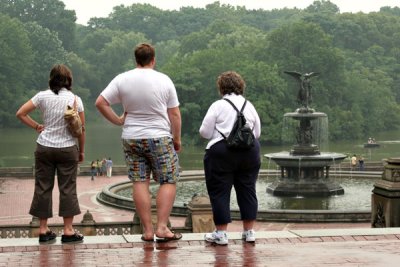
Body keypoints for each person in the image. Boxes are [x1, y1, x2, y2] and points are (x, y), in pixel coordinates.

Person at [95, 43, 182, 242]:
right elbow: (175, 113)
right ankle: (162, 227)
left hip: (131, 137)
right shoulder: (164, 80)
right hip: (159, 136)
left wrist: (118, 120)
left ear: (136, 60)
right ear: (153, 59)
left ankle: (148, 231)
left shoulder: (122, 79)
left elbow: (100, 102)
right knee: (168, 180)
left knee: (139, 181)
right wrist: (176, 138)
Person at [16, 64, 85, 244]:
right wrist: (82, 151)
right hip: (67, 147)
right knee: (67, 188)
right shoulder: (75, 99)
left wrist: (37, 126)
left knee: (43, 187)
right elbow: (81, 130)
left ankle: (43, 230)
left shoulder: (42, 96)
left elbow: (21, 113)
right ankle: (68, 231)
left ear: (51, 79)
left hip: (44, 147)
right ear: (68, 80)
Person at [199, 71, 261, 245]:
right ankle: (249, 232)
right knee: (248, 190)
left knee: (220, 192)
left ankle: (221, 234)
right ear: (241, 86)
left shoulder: (218, 105)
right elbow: (257, 133)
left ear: (221, 88)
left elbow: (204, 132)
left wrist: (218, 134)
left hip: (221, 153)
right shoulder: (249, 105)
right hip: (249, 152)